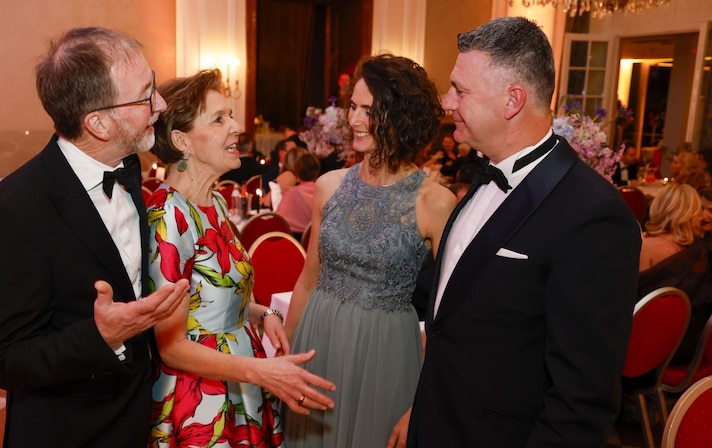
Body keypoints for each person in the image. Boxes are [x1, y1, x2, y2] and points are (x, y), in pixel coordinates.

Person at [407, 17, 642, 447]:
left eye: (460, 90)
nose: (446, 102)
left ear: (512, 100)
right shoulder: (482, 177)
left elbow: (580, 403)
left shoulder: (594, 216)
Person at [0, 27, 187, 448]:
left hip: (136, 414)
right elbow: (7, 360)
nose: (160, 104)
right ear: (98, 123)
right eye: (146, 94)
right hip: (72, 431)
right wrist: (101, 337)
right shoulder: (18, 209)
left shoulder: (129, 170)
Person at [145, 69, 335, 447]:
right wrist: (262, 372)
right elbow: (171, 345)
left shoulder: (213, 202)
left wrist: (262, 314)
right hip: (199, 395)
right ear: (181, 140)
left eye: (230, 115)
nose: (236, 127)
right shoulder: (169, 215)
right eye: (219, 119)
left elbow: (217, 294)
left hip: (239, 376)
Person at [284, 53, 457, 448]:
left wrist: (421, 404)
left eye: (369, 110)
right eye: (353, 107)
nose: (354, 120)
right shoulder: (328, 185)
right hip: (318, 341)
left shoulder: (436, 203)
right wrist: (284, 363)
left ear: (400, 115)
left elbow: (449, 320)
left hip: (385, 357)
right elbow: (308, 280)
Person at [637, 184, 712, 366]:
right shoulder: (700, 250)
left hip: (649, 349)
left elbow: (624, 297)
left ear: (659, 207)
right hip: (692, 344)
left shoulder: (646, 248)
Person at [275, 152, 321, 238]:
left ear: (297, 172)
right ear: (317, 171)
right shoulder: (322, 192)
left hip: (294, 242)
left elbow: (278, 220)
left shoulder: (291, 193)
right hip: (317, 241)